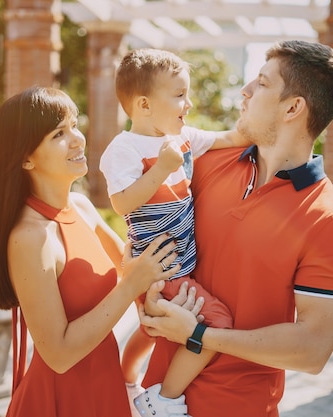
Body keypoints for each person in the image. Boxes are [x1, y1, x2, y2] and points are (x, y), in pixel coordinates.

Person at [138, 40, 333, 417]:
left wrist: (199, 335)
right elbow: (144, 238)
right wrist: (145, 293)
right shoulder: (203, 163)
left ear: (293, 107)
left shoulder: (329, 219)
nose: (245, 91)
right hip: (155, 396)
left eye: (262, 83)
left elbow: (312, 349)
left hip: (239, 407)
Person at [0, 86, 183, 417]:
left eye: (74, 125)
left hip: (105, 386)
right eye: (59, 133)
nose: (77, 139)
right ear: (26, 158)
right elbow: (57, 354)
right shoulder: (30, 237)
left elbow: (137, 267)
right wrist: (130, 286)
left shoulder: (81, 207)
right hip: (60, 400)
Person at [99, 48, 248, 417]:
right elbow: (121, 204)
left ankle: (124, 375)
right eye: (179, 94)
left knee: (150, 327)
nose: (189, 102)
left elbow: (230, 138)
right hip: (165, 268)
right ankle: (163, 398)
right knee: (218, 323)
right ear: (145, 105)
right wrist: (162, 168)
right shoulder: (124, 148)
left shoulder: (182, 138)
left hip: (179, 265)